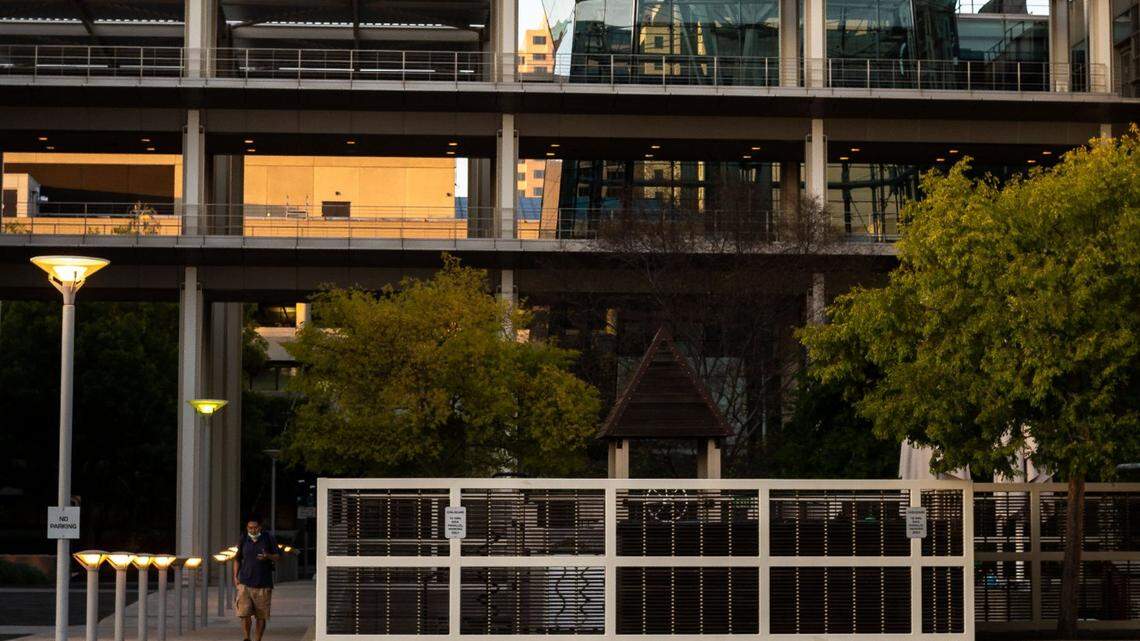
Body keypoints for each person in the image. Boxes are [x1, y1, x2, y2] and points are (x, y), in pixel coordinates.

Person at [233, 516, 280, 641]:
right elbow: (237, 559)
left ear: (260, 527)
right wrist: (235, 576)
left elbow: (277, 557)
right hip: (245, 582)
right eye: (250, 528)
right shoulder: (244, 539)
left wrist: (268, 556)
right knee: (244, 613)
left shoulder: (268, 538)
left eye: (255, 528)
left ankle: (258, 639)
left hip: (263, 583)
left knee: (261, 615)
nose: (252, 530)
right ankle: (246, 637)